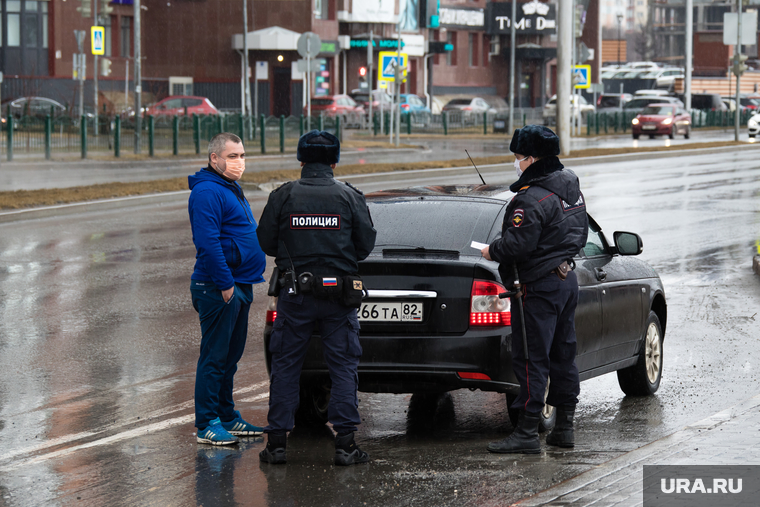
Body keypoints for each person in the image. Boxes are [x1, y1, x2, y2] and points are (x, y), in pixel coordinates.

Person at [256, 130, 377, 466]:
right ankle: (346, 445)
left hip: (295, 297)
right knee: (343, 368)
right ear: (335, 161)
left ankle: (277, 445)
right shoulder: (349, 196)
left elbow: (265, 241)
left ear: (301, 159)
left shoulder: (283, 196)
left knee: (285, 366)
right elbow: (365, 245)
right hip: (340, 299)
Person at [481, 125, 589, 454]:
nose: (516, 163)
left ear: (533, 157)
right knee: (563, 354)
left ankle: (527, 432)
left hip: (538, 286)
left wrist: (492, 251)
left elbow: (517, 247)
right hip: (566, 279)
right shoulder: (571, 187)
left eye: (518, 157)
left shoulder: (530, 198)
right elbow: (581, 235)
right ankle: (564, 427)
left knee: (531, 357)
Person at [188, 132, 267, 446]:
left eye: (242, 156)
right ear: (214, 159)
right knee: (214, 357)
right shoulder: (208, 192)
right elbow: (207, 243)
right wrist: (225, 285)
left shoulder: (230, 188)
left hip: (240, 284)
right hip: (219, 287)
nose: (239, 163)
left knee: (230, 357)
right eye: (232, 157)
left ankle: (227, 416)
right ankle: (207, 423)